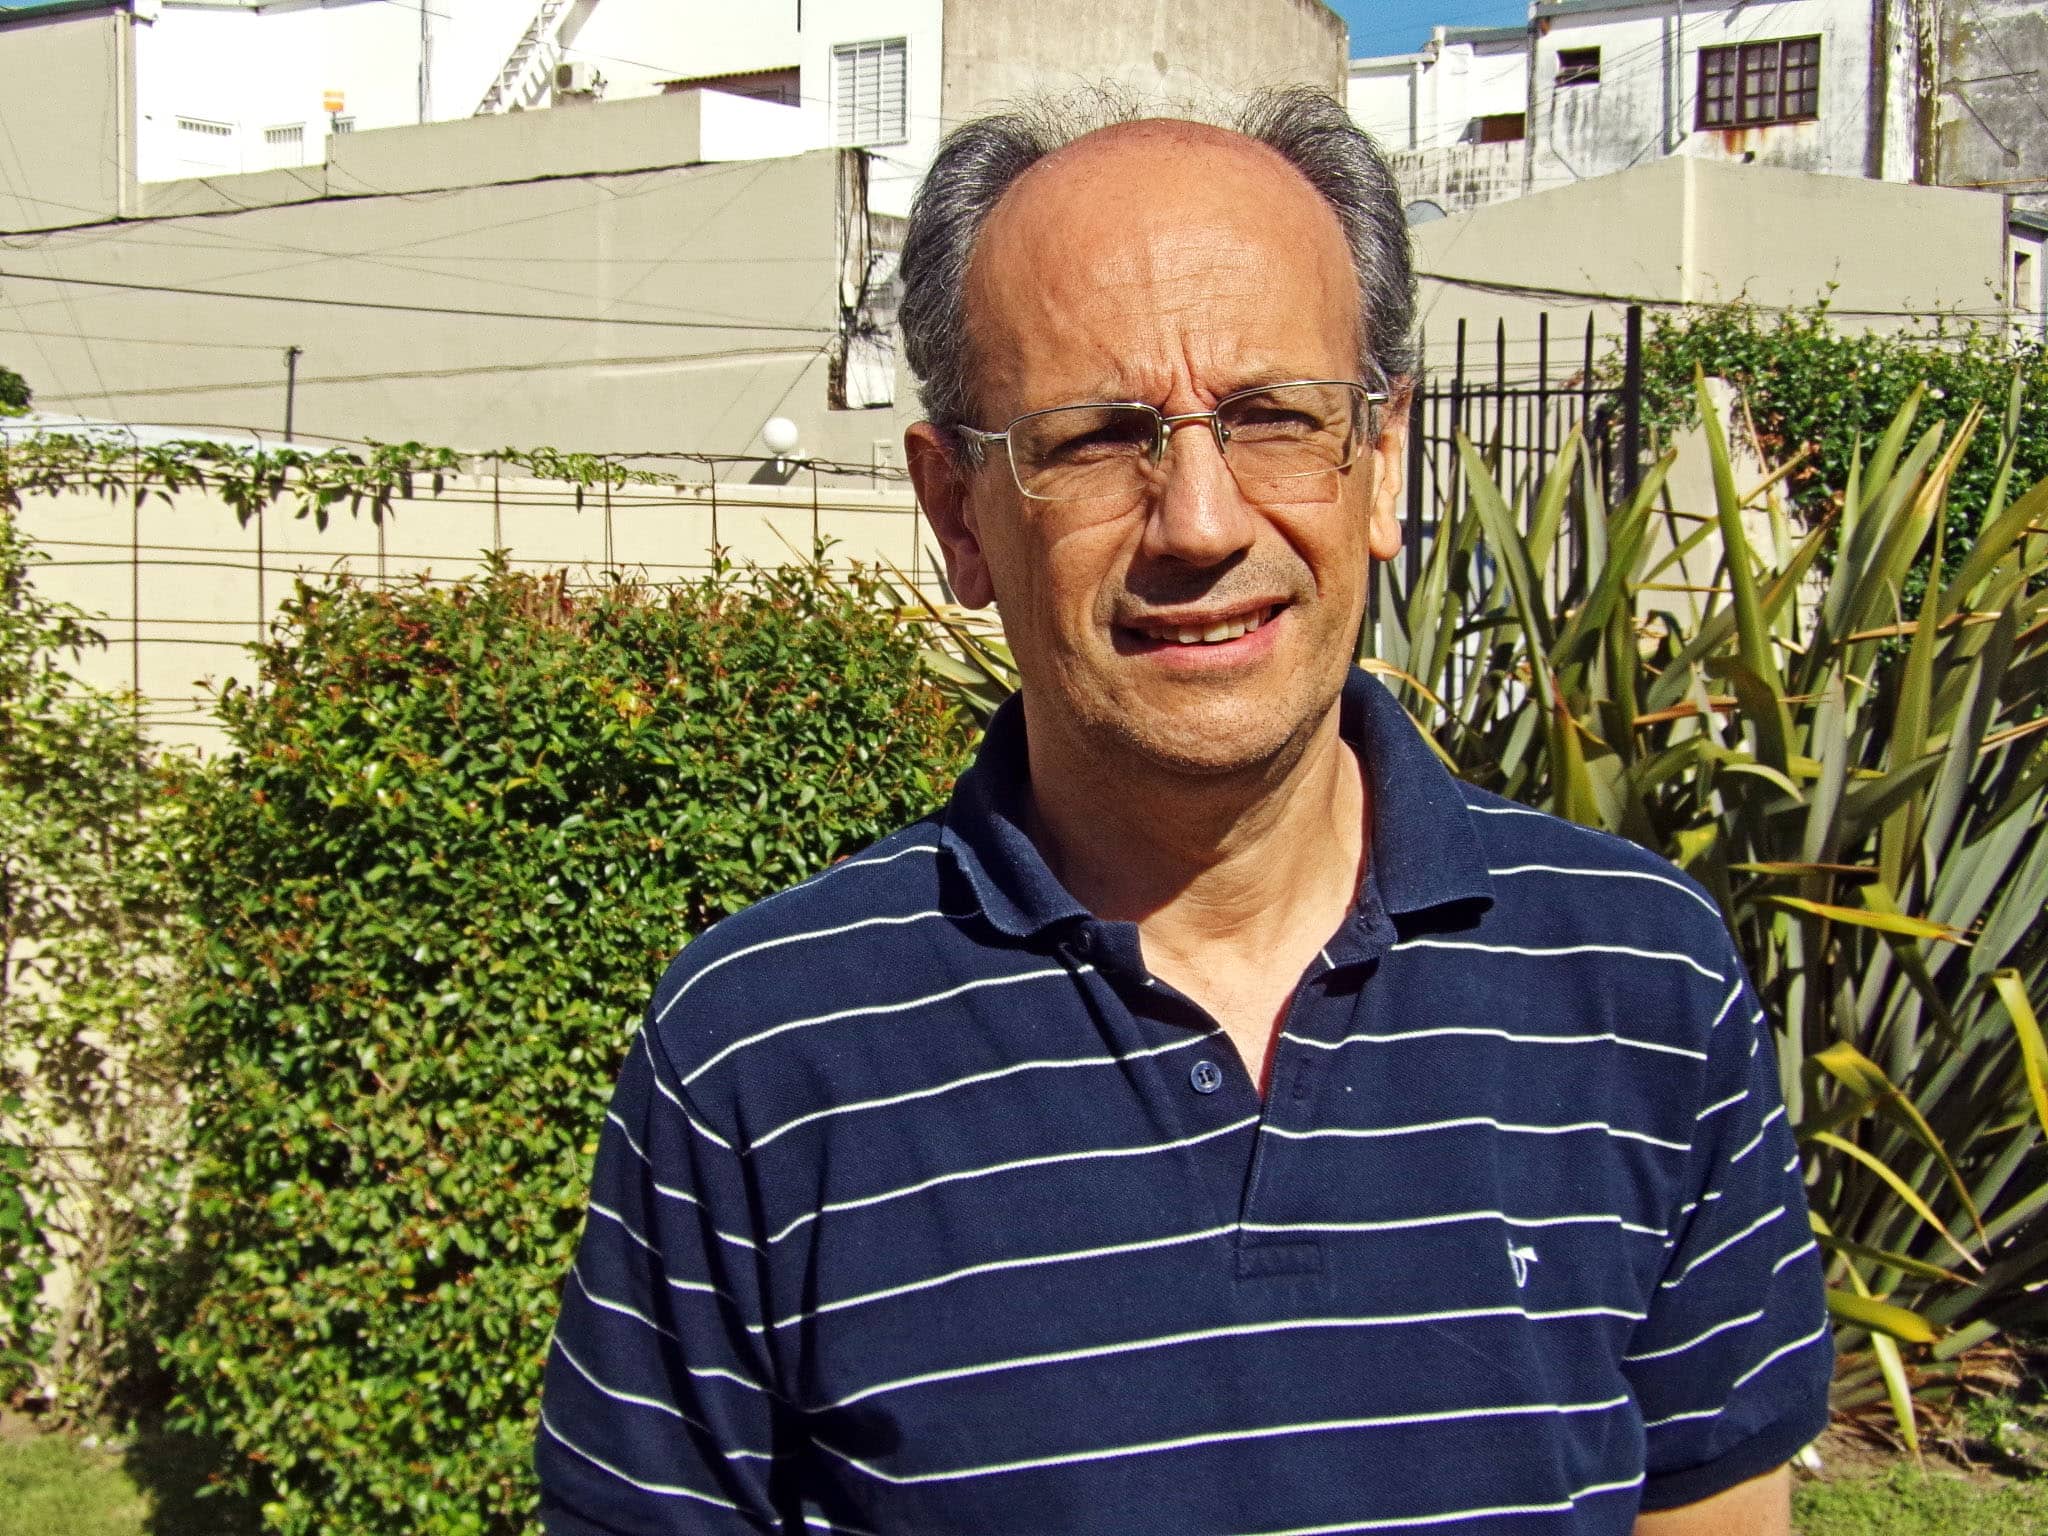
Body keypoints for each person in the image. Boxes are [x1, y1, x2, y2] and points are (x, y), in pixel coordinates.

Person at [535, 87, 1832, 1535]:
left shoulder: (1641, 982)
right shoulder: (761, 1055)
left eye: (1276, 417)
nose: (1202, 522)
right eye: (1098, 438)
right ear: (959, 512)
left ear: (1383, 461)